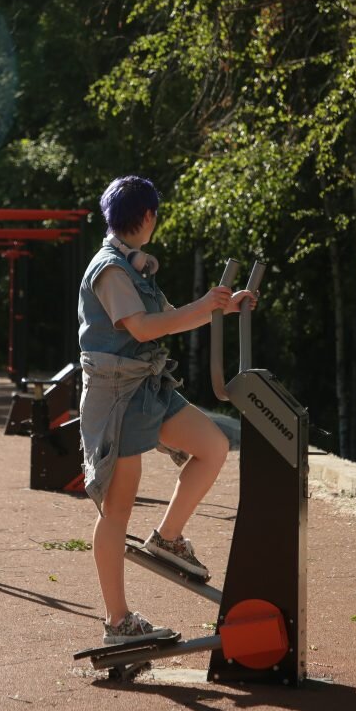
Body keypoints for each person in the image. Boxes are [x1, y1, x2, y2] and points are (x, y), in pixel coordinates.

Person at [77, 175, 257, 646]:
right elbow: (141, 329)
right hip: (116, 394)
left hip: (147, 386)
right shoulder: (111, 269)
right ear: (149, 215)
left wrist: (224, 308)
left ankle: (168, 537)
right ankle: (119, 622)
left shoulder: (134, 266)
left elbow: (169, 319)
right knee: (117, 509)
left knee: (213, 445)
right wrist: (202, 306)